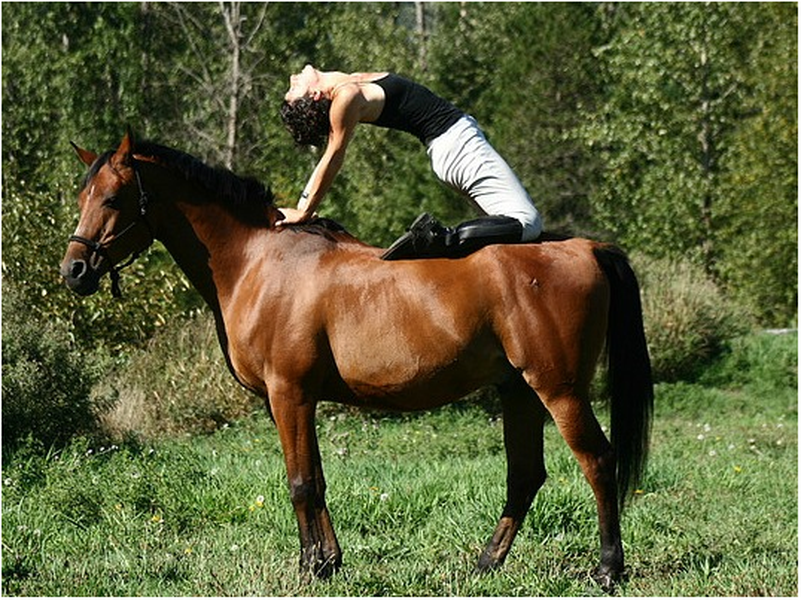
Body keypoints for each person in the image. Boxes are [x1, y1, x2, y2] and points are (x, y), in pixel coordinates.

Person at [279, 64, 542, 260]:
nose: (292, 78)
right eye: (293, 89)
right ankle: (438, 239)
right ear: (313, 95)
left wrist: (304, 207)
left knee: (505, 231)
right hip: (459, 147)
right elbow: (333, 155)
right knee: (527, 222)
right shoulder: (345, 96)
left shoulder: (350, 83)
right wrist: (304, 210)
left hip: (455, 146)